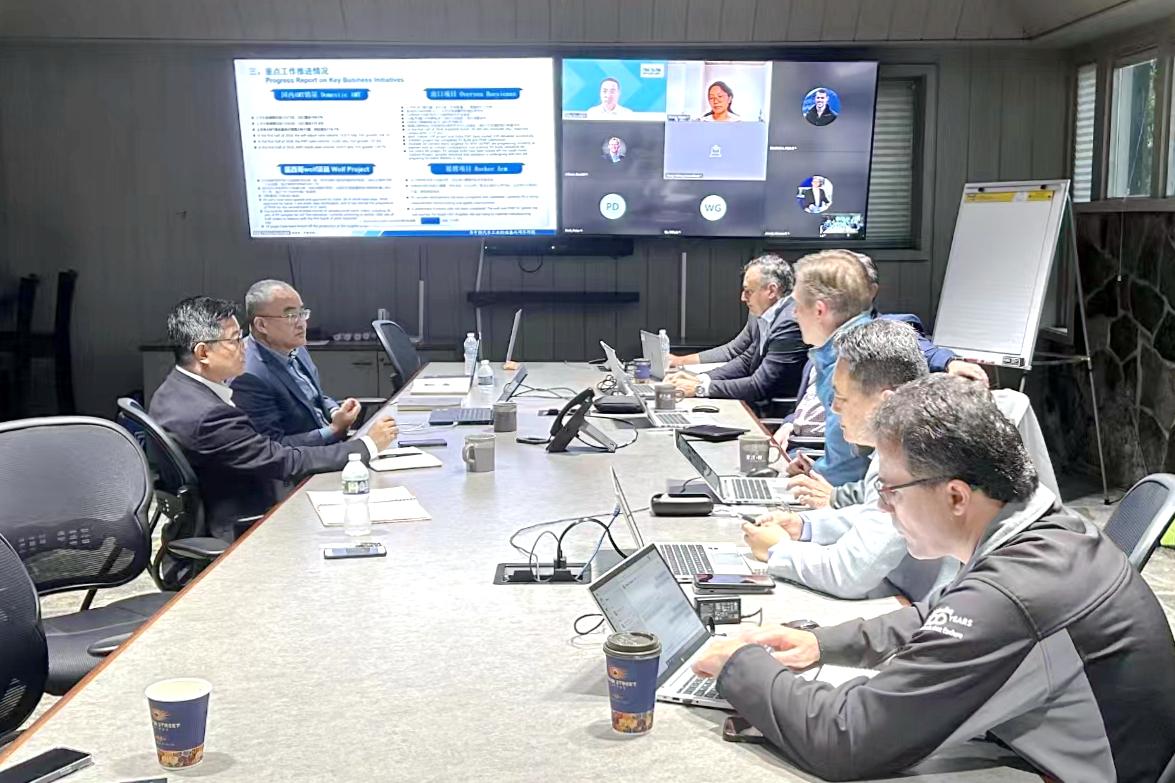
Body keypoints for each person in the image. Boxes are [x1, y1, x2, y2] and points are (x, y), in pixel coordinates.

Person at [692, 375, 1175, 782]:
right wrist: (822, 643)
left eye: (890, 491)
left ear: (956, 497)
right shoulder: (1048, 528)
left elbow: (848, 739)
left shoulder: (1012, 595)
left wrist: (742, 666)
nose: (883, 508)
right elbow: (942, 611)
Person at [149, 297, 398, 541]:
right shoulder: (209, 416)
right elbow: (284, 461)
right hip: (246, 523)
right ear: (203, 352)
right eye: (235, 340)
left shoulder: (171, 390)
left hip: (226, 503)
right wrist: (366, 446)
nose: (244, 347)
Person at [741, 319, 955, 601]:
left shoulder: (909, 459)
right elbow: (873, 515)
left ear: (886, 403)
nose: (833, 408)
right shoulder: (904, 440)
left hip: (921, 610)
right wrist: (805, 526)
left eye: (842, 397)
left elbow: (849, 574)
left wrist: (778, 550)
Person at [664, 254, 805, 407]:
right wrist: (701, 379)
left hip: (777, 410)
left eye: (748, 291)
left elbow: (759, 386)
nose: (743, 298)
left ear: (771, 291)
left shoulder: (788, 324)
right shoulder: (769, 314)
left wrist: (700, 388)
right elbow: (746, 361)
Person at [232, 280, 360, 445]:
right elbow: (271, 446)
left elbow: (314, 397)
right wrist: (334, 430)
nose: (301, 323)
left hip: (332, 442)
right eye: (291, 316)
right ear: (261, 325)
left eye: (302, 313)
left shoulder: (295, 347)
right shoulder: (248, 375)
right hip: (308, 457)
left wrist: (336, 411)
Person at [787, 249, 876, 485]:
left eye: (797, 305)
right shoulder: (855, 344)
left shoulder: (850, 361)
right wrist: (815, 470)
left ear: (819, 310)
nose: (794, 314)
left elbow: (848, 470)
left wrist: (822, 484)